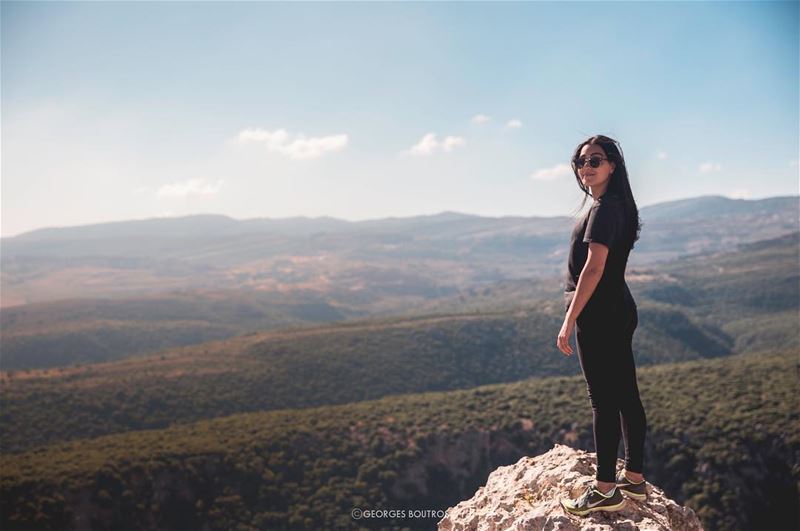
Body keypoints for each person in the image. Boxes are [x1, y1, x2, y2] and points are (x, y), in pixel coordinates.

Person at [556, 134, 648, 516]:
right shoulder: (619, 206)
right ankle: (635, 480)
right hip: (618, 309)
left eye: (595, 160)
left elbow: (593, 269)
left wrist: (568, 319)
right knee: (626, 395)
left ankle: (605, 489)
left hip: (598, 315)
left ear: (613, 164)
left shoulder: (603, 210)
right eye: (581, 162)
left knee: (603, 401)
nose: (586, 167)